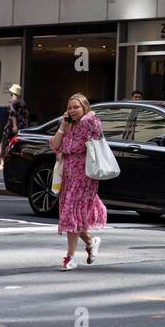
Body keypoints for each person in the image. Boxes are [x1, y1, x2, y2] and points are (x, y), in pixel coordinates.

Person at [50, 94, 107, 271]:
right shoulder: (68, 125)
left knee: (71, 214)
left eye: (76, 107)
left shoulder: (90, 122)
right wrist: (62, 126)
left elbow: (97, 128)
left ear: (84, 108)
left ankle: (70, 257)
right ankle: (91, 242)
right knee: (71, 216)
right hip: (67, 175)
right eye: (70, 107)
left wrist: (88, 116)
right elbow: (55, 145)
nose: (72, 110)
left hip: (84, 175)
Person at [0, 84, 28, 171]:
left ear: (13, 92)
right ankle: (13, 163)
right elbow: (25, 115)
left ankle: (3, 163)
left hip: (11, 126)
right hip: (21, 126)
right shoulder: (22, 102)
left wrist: (14, 126)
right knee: (16, 144)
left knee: (5, 142)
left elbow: (12, 114)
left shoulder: (13, 102)